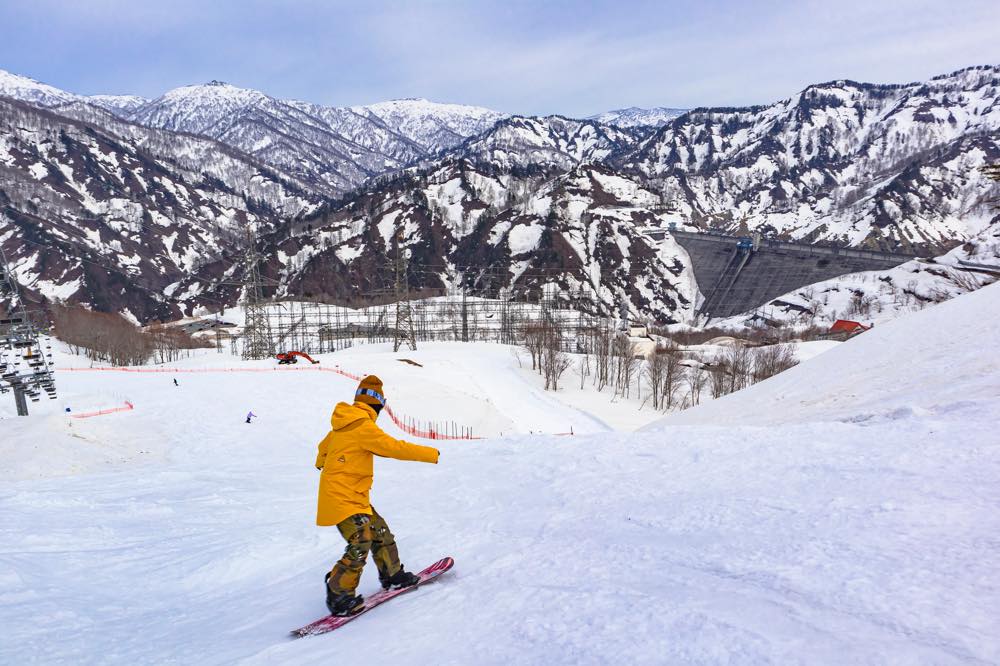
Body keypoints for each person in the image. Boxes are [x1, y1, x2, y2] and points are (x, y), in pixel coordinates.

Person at [315, 375, 439, 616]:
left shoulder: (343, 424)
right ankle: (339, 593)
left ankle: (392, 575)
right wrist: (430, 453)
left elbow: (323, 448)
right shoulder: (363, 426)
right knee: (361, 539)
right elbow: (394, 447)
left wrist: (322, 463)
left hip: (353, 495)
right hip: (342, 498)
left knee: (379, 530)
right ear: (378, 404)